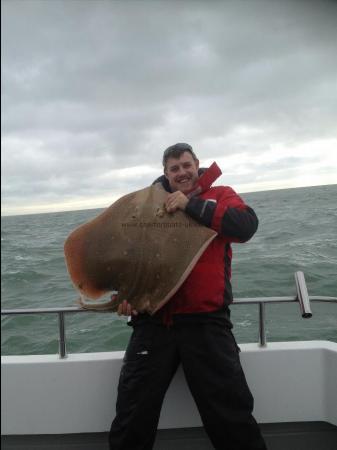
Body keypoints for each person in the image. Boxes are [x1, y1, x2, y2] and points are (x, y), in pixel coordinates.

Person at [109, 143, 267, 450]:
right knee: (132, 416)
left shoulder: (220, 196)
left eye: (186, 165)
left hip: (206, 323)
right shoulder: (147, 208)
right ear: (165, 174)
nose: (181, 172)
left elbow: (246, 226)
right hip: (152, 324)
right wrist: (126, 296)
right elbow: (132, 259)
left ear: (197, 166)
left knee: (231, 416)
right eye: (174, 168)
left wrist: (191, 206)